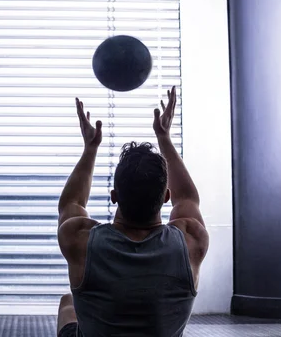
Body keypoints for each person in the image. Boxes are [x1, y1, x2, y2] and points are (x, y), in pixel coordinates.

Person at [56, 87, 209, 337]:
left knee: (67, 303)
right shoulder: (191, 240)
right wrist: (164, 137)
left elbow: (70, 204)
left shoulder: (81, 239)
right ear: (165, 197)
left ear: (114, 197)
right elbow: (188, 198)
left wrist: (91, 148)